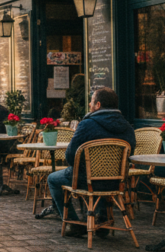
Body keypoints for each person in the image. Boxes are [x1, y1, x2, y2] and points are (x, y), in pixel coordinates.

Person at [47, 87, 136, 237]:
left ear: (98, 105)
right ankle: (102, 217)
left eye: (91, 101)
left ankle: (71, 222)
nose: (89, 104)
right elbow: (130, 153)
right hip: (116, 181)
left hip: (87, 180)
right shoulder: (127, 127)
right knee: (98, 177)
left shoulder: (87, 124)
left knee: (53, 179)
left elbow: (70, 156)